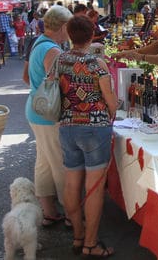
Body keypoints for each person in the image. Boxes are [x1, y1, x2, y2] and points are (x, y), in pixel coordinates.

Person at [57, 16, 117, 258]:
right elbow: (110, 99)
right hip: (95, 127)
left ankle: (78, 235)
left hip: (67, 126)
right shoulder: (97, 63)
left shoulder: (60, 60)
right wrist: (113, 112)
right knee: (93, 188)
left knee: (72, 183)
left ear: (70, 35)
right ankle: (90, 244)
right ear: (92, 35)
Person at [24, 5, 73, 227]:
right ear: (62, 26)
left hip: (36, 109)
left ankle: (50, 212)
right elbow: (62, 84)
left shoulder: (39, 43)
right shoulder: (52, 50)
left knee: (44, 161)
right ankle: (72, 215)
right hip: (48, 113)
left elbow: (27, 78)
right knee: (60, 163)